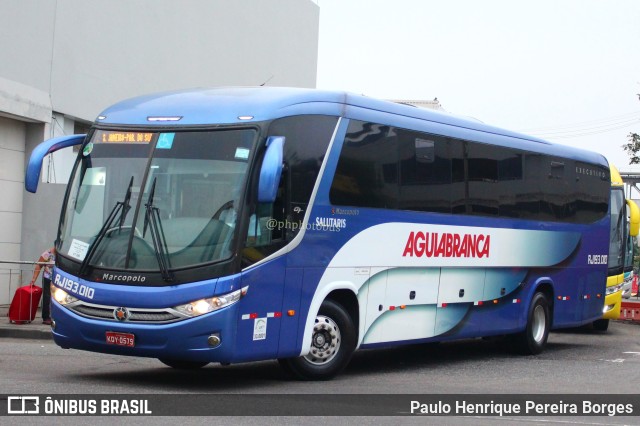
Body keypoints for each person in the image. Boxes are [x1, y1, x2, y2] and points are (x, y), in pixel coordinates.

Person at [29, 247, 56, 325]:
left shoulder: (62, 254)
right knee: (47, 297)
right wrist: (34, 279)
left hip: (58, 280)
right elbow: (39, 266)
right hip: (48, 278)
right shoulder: (47, 254)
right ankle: (46, 317)